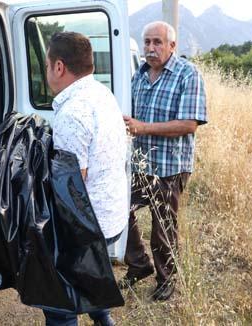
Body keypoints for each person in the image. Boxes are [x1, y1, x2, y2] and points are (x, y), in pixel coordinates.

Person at [44, 32, 128, 326]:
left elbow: (71, 189)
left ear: (59, 67)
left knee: (59, 303)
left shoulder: (72, 112)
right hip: (113, 216)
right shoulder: (101, 93)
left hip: (91, 227)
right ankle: (104, 320)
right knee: (92, 278)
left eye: (46, 65)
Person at [120, 21, 207, 301]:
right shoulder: (139, 76)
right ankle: (139, 264)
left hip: (170, 166)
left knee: (163, 226)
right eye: (146, 42)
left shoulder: (187, 74)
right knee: (120, 208)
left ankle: (167, 279)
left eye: (157, 42)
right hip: (140, 163)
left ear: (172, 46)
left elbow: (189, 124)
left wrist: (142, 127)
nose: (150, 48)